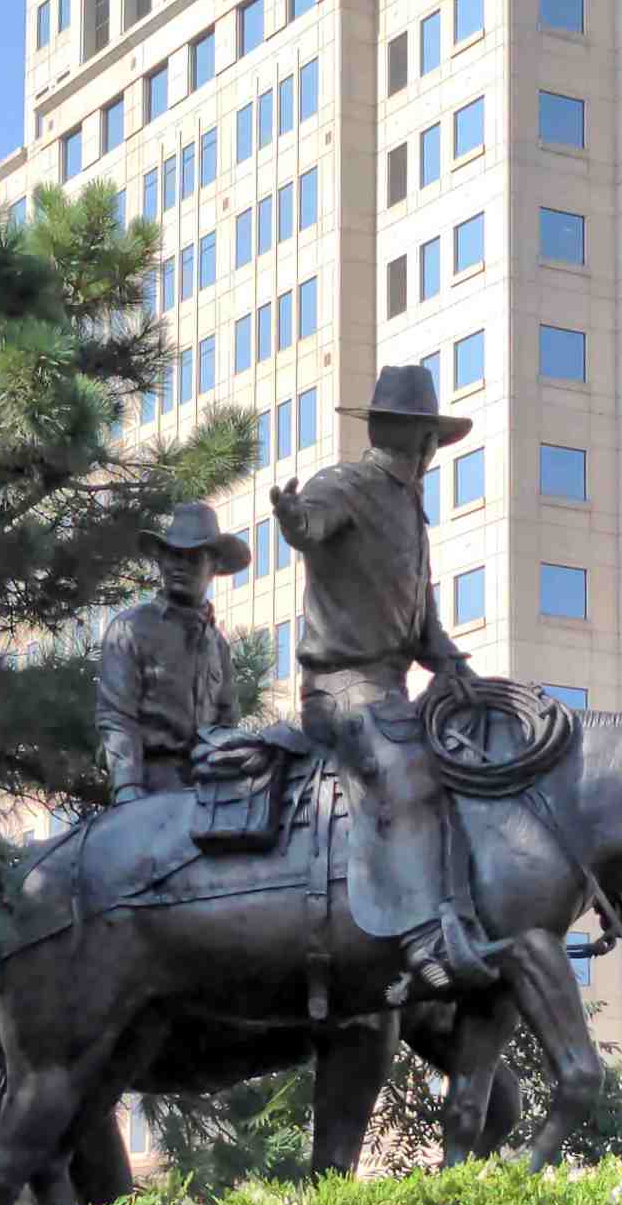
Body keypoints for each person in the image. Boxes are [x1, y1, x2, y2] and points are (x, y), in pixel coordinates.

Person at [269, 363, 492, 999]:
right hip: (340, 689)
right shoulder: (347, 484)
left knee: (470, 750)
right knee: (402, 765)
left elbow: (423, 625)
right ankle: (420, 934)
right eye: (430, 442)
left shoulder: (409, 508)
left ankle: (464, 912)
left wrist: (455, 666)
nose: (430, 454)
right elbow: (309, 527)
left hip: (391, 690)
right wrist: (291, 519)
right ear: (418, 439)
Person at [95, 502, 250, 804]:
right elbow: (116, 716)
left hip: (208, 788)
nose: (180, 565)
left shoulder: (218, 646)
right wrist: (127, 788)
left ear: (214, 565)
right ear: (161, 560)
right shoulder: (131, 628)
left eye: (193, 557)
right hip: (150, 786)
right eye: (173, 555)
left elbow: (227, 723)